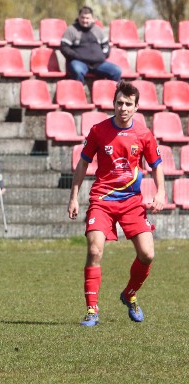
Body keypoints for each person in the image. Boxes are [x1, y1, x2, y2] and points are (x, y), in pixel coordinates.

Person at [68, 80, 166, 327]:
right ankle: (92, 310)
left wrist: (161, 192)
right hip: (102, 199)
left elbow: (157, 165)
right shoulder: (99, 130)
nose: (123, 107)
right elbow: (83, 163)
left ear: (136, 107)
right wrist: (74, 196)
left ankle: (129, 294)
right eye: (119, 103)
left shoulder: (143, 134)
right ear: (113, 104)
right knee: (94, 250)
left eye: (128, 104)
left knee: (147, 254)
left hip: (132, 202)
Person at [60, 6, 121, 84]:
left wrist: (103, 55)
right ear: (78, 17)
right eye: (82, 17)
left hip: (98, 64)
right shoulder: (71, 30)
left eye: (87, 18)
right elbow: (64, 47)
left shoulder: (98, 30)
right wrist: (76, 56)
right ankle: (79, 94)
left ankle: (114, 95)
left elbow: (106, 45)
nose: (85, 20)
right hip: (79, 63)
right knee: (77, 70)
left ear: (92, 19)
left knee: (116, 71)